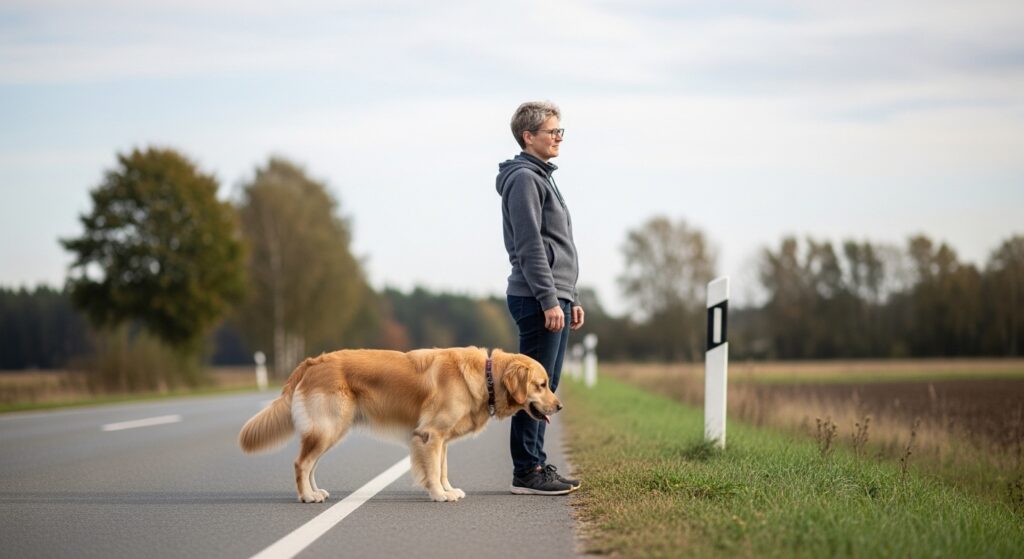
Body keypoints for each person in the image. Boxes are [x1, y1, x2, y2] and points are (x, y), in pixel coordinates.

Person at [495, 100, 585, 495]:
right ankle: (528, 471)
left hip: (554, 294)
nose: (559, 138)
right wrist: (550, 299)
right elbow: (531, 246)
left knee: (545, 386)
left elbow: (559, 245)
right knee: (531, 390)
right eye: (553, 132)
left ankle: (536, 464)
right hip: (536, 297)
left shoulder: (543, 177)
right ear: (528, 136)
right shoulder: (524, 180)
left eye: (561, 131)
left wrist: (572, 295)